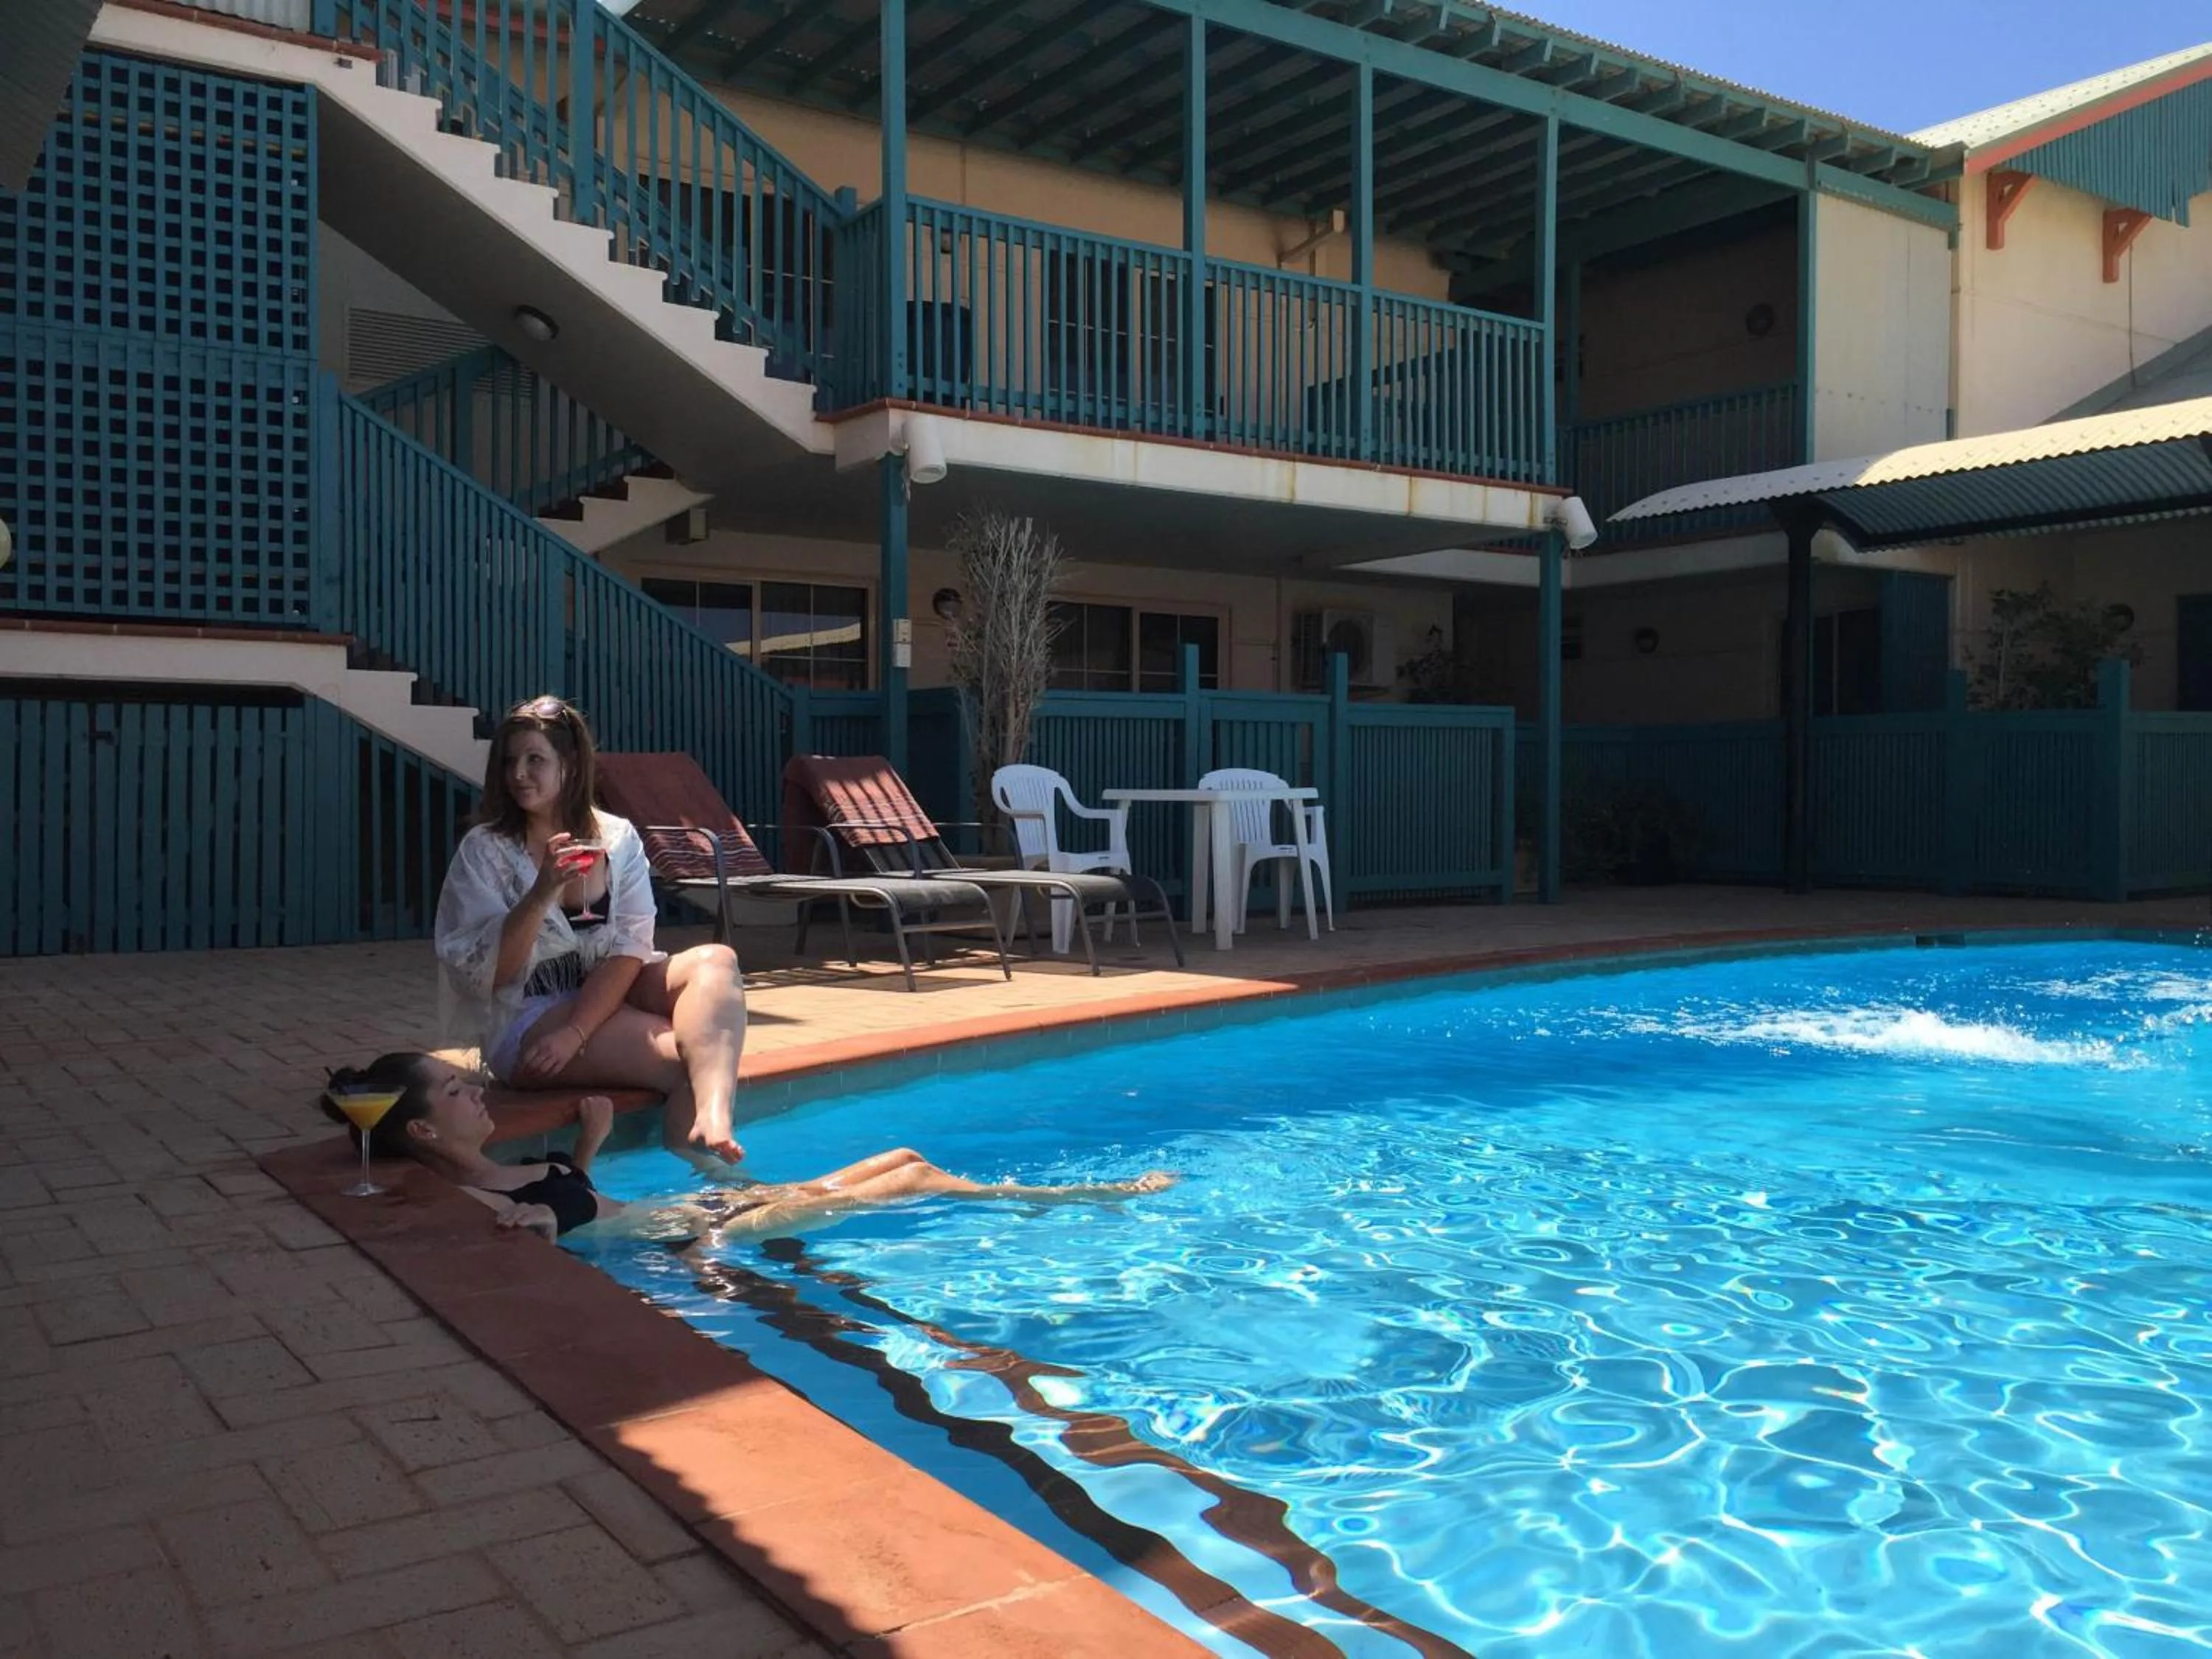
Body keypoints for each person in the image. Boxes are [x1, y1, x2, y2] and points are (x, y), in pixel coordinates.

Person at [321, 1052, 1175, 1243]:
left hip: (702, 1207)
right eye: (460, 1091)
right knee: (913, 1178)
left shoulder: (523, 1171)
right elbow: (540, 1231)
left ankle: (1074, 1196)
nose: (479, 1090)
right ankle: (1080, 1199)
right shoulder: (489, 1201)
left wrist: (587, 1139)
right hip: (699, 1236)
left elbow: (571, 1191)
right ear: (428, 1130)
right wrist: (539, 1231)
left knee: (903, 1149)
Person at [434, 695, 747, 1169]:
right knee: (686, 1062)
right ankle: (704, 1206)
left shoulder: (617, 837)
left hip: (599, 1000)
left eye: (535, 759)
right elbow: (490, 976)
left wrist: (579, 1029)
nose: (518, 773)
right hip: (528, 1020)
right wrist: (541, 892)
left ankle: (714, 1117)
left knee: (717, 960)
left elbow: (630, 948)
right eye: (509, 761)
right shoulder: (488, 851)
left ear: (572, 765)